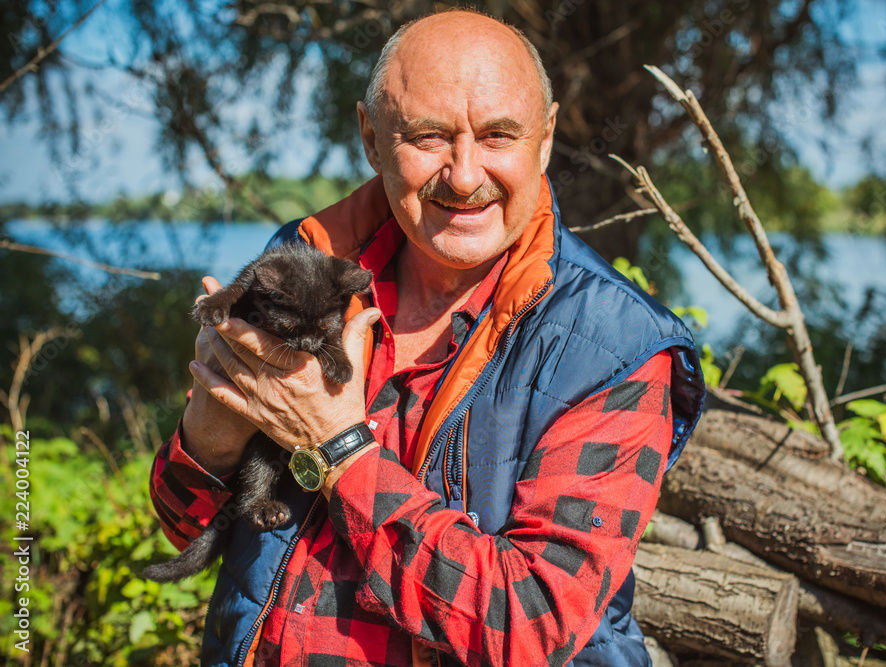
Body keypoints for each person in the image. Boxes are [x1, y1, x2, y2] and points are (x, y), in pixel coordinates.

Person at [149, 8, 704, 667]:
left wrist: (339, 448)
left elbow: (529, 627)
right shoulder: (307, 264)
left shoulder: (614, 348)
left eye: (498, 135)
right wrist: (214, 428)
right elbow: (183, 521)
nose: (464, 176)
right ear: (371, 138)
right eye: (428, 136)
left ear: (546, 138)